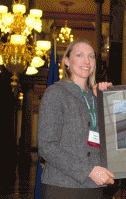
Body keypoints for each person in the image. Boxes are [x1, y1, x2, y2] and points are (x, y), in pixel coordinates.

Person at [38, 39, 114, 198]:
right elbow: (47, 146)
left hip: (95, 187)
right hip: (61, 187)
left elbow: (113, 138)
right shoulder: (55, 93)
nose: (86, 61)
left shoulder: (97, 98)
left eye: (91, 56)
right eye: (79, 55)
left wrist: (109, 99)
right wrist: (88, 171)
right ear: (66, 61)